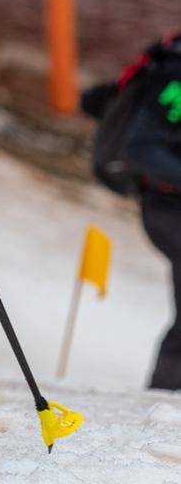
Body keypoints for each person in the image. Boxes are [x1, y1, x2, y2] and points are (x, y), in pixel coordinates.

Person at [83, 34, 181, 390]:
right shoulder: (175, 75)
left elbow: (94, 100)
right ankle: (166, 404)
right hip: (168, 208)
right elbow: (141, 147)